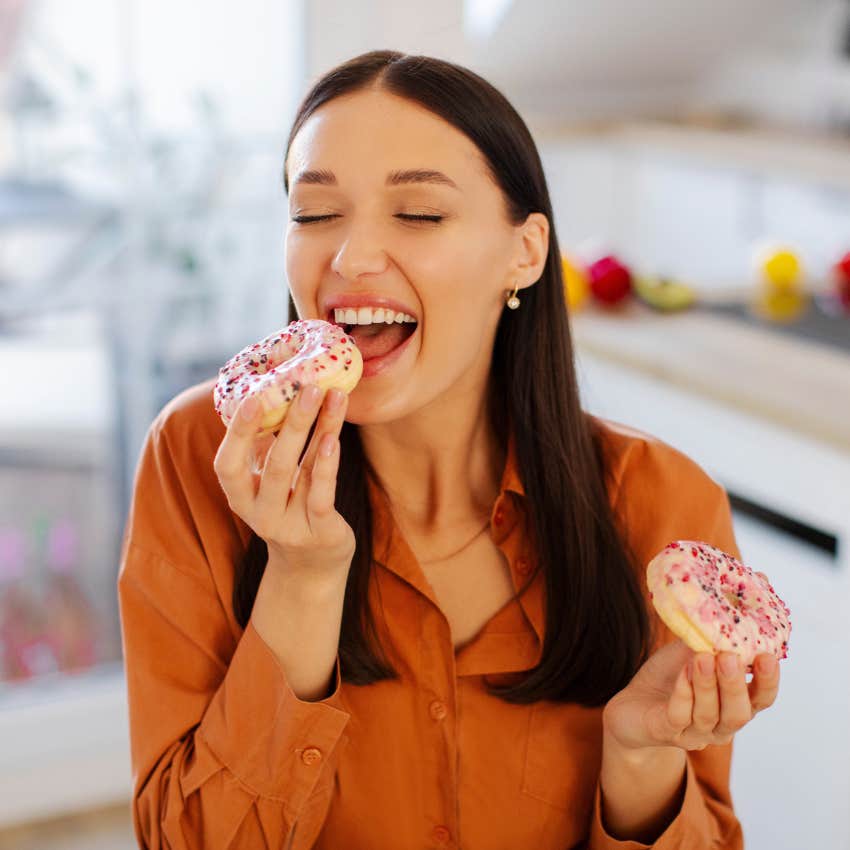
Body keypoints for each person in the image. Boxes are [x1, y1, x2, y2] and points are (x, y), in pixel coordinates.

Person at [117, 49, 781, 850]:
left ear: (525, 254)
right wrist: (300, 577)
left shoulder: (661, 503)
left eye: (420, 215)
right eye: (314, 213)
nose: (350, 257)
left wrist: (640, 763)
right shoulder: (199, 459)